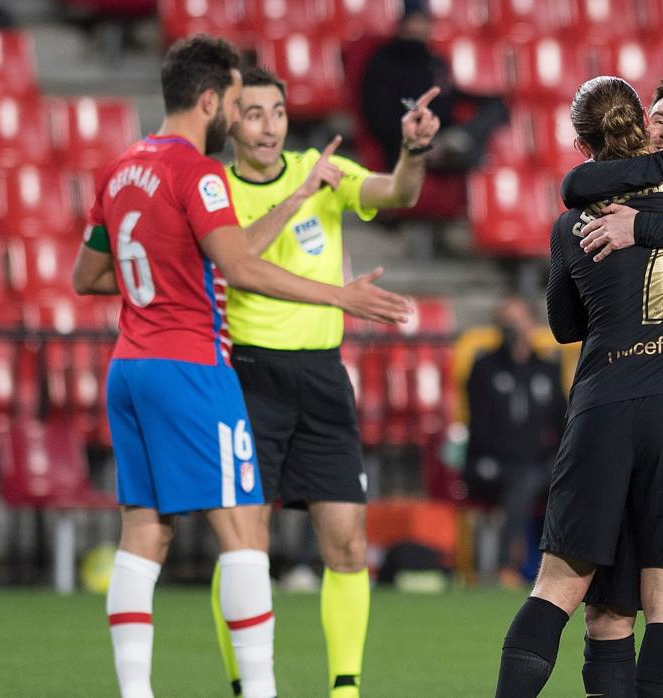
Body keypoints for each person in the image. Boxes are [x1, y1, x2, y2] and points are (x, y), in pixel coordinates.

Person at [70, 36, 409, 698]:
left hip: (128, 368)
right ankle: (259, 690)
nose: (239, 110)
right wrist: (342, 295)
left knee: (143, 534)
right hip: (193, 365)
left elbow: (88, 276)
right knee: (243, 533)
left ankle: (135, 691)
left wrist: (164, 275)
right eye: (232, 99)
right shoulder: (197, 173)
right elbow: (241, 267)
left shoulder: (121, 168)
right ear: (207, 99)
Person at [494, 75, 663, 698]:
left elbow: (563, 324)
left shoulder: (573, 221)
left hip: (601, 407)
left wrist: (623, 247)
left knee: (560, 585)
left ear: (582, 138)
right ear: (643, 126)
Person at [208, 65, 440, 698]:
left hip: (320, 376)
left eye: (277, 112)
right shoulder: (215, 190)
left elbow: (397, 194)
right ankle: (243, 683)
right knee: (242, 545)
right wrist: (301, 193)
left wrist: (413, 150)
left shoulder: (321, 167)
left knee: (347, 542)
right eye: (254, 113)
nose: (269, 126)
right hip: (247, 375)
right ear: (230, 120)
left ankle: (345, 688)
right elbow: (240, 263)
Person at [464, 296, 566, 586]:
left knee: (563, 478)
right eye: (506, 322)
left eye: (519, 321)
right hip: (492, 464)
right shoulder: (484, 368)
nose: (513, 329)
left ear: (532, 325)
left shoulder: (546, 369)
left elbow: (563, 421)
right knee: (521, 480)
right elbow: (481, 426)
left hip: (538, 465)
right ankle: (506, 566)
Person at [360, 0, 508, 173]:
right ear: (402, 24)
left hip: (444, 132)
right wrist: (418, 113)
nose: (419, 27)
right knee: (472, 156)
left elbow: (446, 93)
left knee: (496, 108)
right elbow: (392, 105)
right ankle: (454, 147)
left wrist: (487, 99)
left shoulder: (434, 60)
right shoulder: (385, 61)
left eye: (423, 22)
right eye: (414, 21)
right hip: (408, 138)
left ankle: (458, 141)